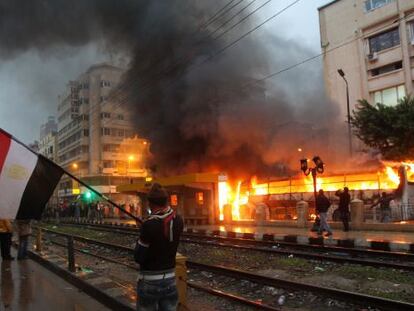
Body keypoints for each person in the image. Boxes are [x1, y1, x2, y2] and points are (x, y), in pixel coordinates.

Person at [134, 183, 184, 311]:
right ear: (166, 200)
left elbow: (139, 257)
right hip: (170, 280)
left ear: (150, 203)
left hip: (150, 281)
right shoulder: (178, 220)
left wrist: (143, 231)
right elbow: (163, 236)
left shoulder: (149, 225)